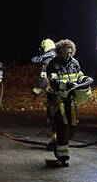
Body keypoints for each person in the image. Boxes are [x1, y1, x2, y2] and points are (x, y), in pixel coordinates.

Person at [44, 39, 89, 167]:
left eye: (70, 52)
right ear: (59, 51)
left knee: (73, 126)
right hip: (57, 99)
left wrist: (85, 79)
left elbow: (79, 75)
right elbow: (53, 82)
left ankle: (56, 141)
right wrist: (67, 84)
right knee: (63, 126)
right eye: (65, 52)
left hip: (71, 98)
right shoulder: (53, 64)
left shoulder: (74, 63)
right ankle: (63, 156)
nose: (68, 55)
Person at [31, 38, 58, 148]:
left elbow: (43, 79)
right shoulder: (57, 57)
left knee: (53, 115)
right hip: (63, 92)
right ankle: (56, 136)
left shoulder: (48, 60)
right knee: (59, 115)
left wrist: (36, 91)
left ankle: (55, 141)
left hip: (53, 93)